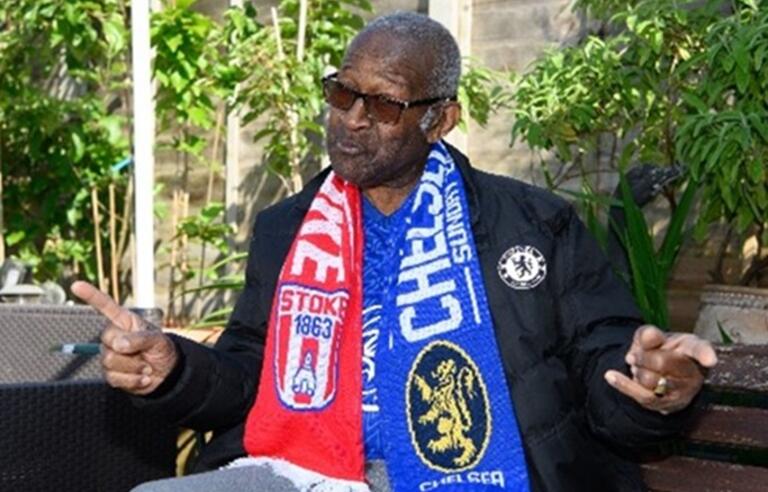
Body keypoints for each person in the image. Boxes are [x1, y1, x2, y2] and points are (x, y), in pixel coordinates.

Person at [72, 12, 717, 492]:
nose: (352, 118)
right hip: (301, 471)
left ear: (439, 119)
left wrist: (651, 390)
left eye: (383, 104)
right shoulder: (288, 229)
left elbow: (603, 363)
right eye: (341, 93)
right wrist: (173, 370)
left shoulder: (533, 224)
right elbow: (248, 377)